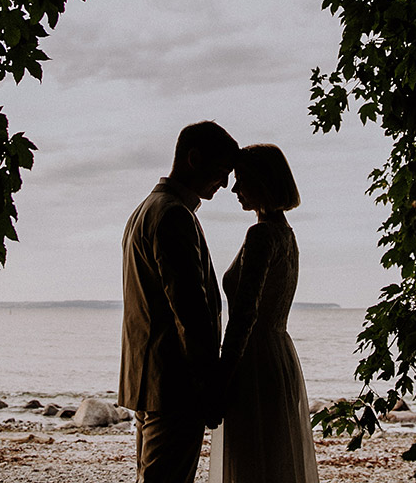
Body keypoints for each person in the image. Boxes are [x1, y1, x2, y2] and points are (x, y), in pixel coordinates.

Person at [118, 120, 239, 483]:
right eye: (221, 172)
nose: (225, 184)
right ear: (194, 158)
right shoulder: (173, 215)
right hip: (174, 384)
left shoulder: (147, 208)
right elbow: (189, 309)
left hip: (148, 377)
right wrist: (208, 384)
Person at [213, 143, 319, 483]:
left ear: (264, 182)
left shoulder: (261, 235)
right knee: (274, 459)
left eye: (242, 179)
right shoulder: (286, 234)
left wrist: (221, 381)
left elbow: (245, 315)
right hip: (280, 355)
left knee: (252, 463)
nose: (233, 188)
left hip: (254, 360)